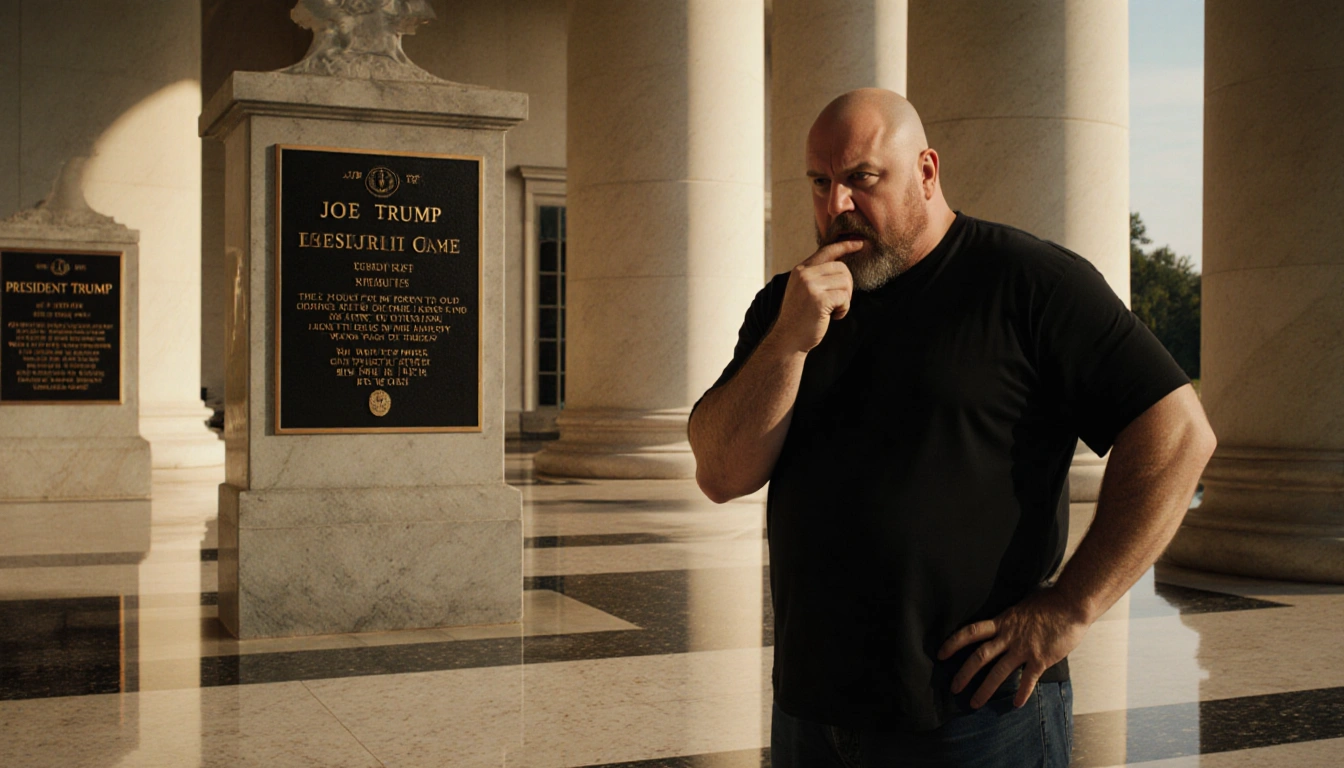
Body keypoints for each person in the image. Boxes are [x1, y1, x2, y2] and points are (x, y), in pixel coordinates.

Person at [687, 88, 1216, 767]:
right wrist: (789, 340)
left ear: (927, 172)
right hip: (811, 713)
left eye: (861, 178)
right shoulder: (788, 305)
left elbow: (1178, 433)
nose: (836, 205)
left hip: (977, 718)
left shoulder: (1029, 282)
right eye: (820, 183)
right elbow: (721, 472)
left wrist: (1072, 607)